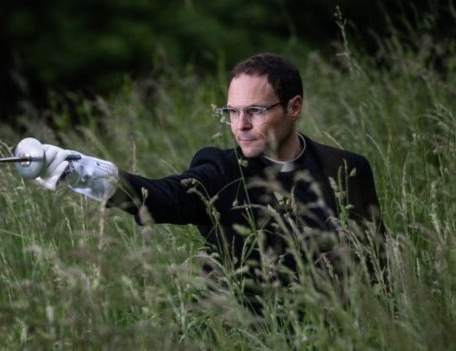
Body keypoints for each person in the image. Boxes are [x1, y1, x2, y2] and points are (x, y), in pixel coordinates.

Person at [35, 53, 383, 304]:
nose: (240, 125)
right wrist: (78, 171)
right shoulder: (221, 170)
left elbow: (376, 267)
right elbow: (160, 196)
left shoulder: (346, 168)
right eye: (232, 112)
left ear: (293, 107)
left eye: (255, 111)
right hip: (244, 341)